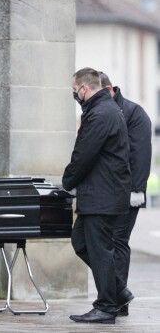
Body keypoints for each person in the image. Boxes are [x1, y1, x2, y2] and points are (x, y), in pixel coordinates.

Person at [63, 67, 131, 325]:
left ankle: (105, 306)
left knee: (100, 251)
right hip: (102, 194)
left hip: (103, 196)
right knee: (80, 241)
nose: (75, 96)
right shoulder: (103, 110)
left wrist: (66, 182)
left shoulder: (100, 114)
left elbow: (84, 154)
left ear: (84, 88)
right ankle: (119, 291)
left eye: (74, 91)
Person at [100, 72, 152, 317]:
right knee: (104, 244)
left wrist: (136, 190)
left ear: (109, 90)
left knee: (118, 243)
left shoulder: (134, 113)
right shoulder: (104, 111)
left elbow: (140, 155)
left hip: (127, 192)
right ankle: (116, 295)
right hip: (107, 191)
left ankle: (117, 301)